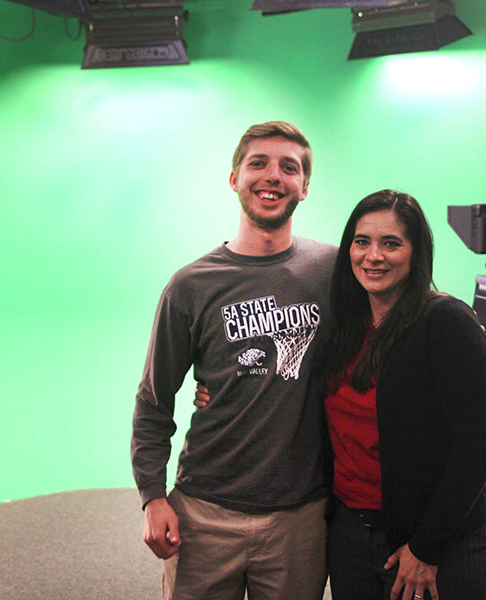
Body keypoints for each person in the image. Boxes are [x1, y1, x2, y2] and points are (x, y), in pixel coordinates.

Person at [131, 121, 337, 600]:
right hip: (204, 510)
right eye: (258, 163)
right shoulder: (190, 286)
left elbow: (399, 291)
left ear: (304, 187)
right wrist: (152, 496)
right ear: (234, 178)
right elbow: (154, 400)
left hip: (300, 517)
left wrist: (454, 320)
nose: (272, 176)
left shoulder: (331, 271)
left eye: (289, 167)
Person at [317, 190, 486, 600]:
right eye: (362, 241)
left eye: (391, 243)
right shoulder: (345, 326)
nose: (373, 256)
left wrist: (426, 548)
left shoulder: (447, 323)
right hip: (350, 532)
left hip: (436, 543)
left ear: (416, 253)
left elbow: (476, 448)